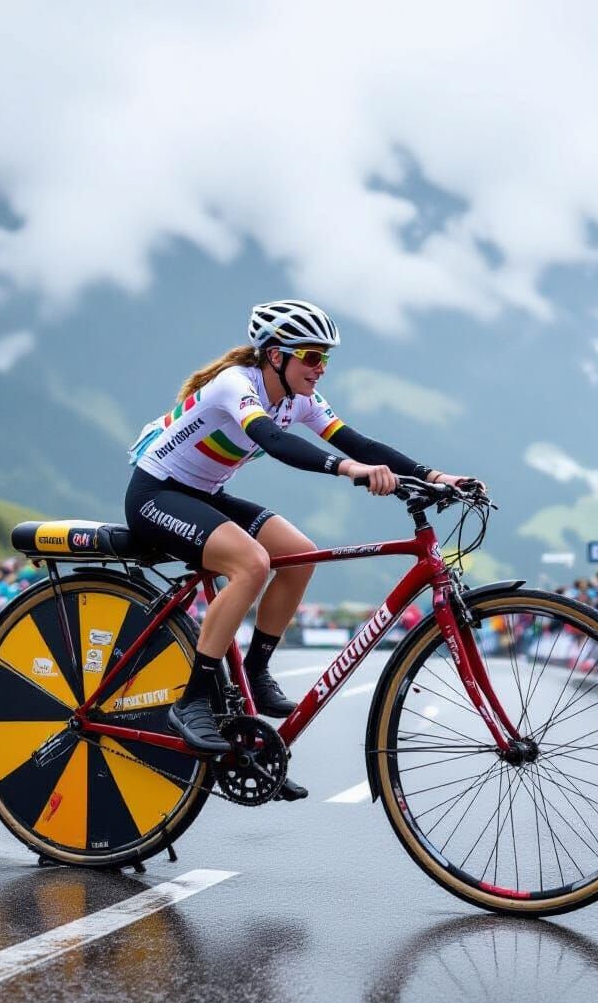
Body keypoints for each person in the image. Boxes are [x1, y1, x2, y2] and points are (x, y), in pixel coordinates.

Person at [126, 299, 483, 753]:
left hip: (203, 495)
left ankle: (255, 674)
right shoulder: (235, 384)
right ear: (276, 355)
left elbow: (357, 440)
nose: (320, 369)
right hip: (156, 494)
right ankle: (193, 700)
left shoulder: (300, 399)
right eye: (312, 357)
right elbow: (273, 442)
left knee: (298, 556)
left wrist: (436, 477)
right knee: (252, 565)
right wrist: (347, 469)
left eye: (325, 359)